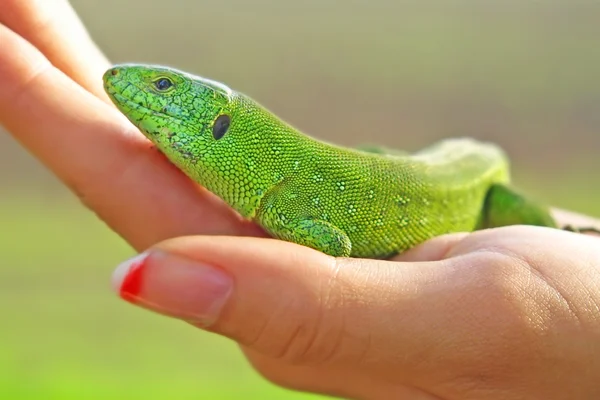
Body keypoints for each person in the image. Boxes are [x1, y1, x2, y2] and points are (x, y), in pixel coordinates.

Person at [1, 1, 599, 398]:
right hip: (422, 167)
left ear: (219, 124)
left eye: (164, 88)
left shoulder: (287, 207)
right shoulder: (269, 179)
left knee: (506, 200)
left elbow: (334, 244)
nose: (136, 85)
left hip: (478, 180)